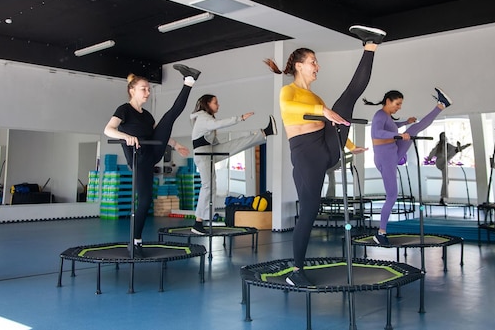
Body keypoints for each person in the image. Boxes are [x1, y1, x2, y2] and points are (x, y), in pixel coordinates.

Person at [264, 24, 385, 287]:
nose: (317, 66)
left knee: (348, 97)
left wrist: (351, 146)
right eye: (312, 62)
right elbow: (289, 107)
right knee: (308, 212)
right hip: (307, 155)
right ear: (298, 66)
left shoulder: (315, 95)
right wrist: (323, 111)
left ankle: (370, 45)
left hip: (327, 146)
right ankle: (296, 270)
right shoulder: (290, 91)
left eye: (317, 62)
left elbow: (334, 120)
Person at [104, 64, 200, 257]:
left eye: (149, 89)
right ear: (132, 91)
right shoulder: (124, 110)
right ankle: (136, 240)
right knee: (146, 200)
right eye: (144, 89)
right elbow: (108, 129)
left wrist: (176, 145)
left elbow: (160, 132)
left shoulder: (147, 115)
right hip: (139, 160)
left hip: (152, 153)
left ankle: (189, 81)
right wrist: (125, 136)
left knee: (170, 116)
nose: (148, 92)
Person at [363, 89, 452, 245]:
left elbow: (391, 126)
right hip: (386, 157)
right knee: (392, 196)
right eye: (397, 104)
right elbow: (377, 132)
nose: (399, 107)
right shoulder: (379, 115)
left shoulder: (386, 116)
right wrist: (397, 136)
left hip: (393, 150)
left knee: (414, 128)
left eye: (401, 104)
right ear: (388, 101)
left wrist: (405, 123)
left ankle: (441, 105)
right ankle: (380, 233)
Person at [190, 94, 278, 234]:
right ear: (207, 104)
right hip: (203, 154)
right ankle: (198, 223)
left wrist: (225, 148)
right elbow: (218, 124)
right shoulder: (202, 118)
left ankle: (265, 132)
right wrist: (240, 118)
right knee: (208, 186)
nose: (218, 105)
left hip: (209, 151)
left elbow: (213, 140)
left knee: (234, 145)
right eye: (215, 103)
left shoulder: (207, 118)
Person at [429, 132, 471, 205]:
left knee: (446, 180)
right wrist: (429, 158)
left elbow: (455, 149)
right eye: (443, 136)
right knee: (451, 153)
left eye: (445, 136)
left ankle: (442, 198)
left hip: (445, 163)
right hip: (440, 162)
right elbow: (432, 153)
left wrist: (466, 146)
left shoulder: (448, 146)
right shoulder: (438, 146)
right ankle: (457, 150)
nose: (444, 137)